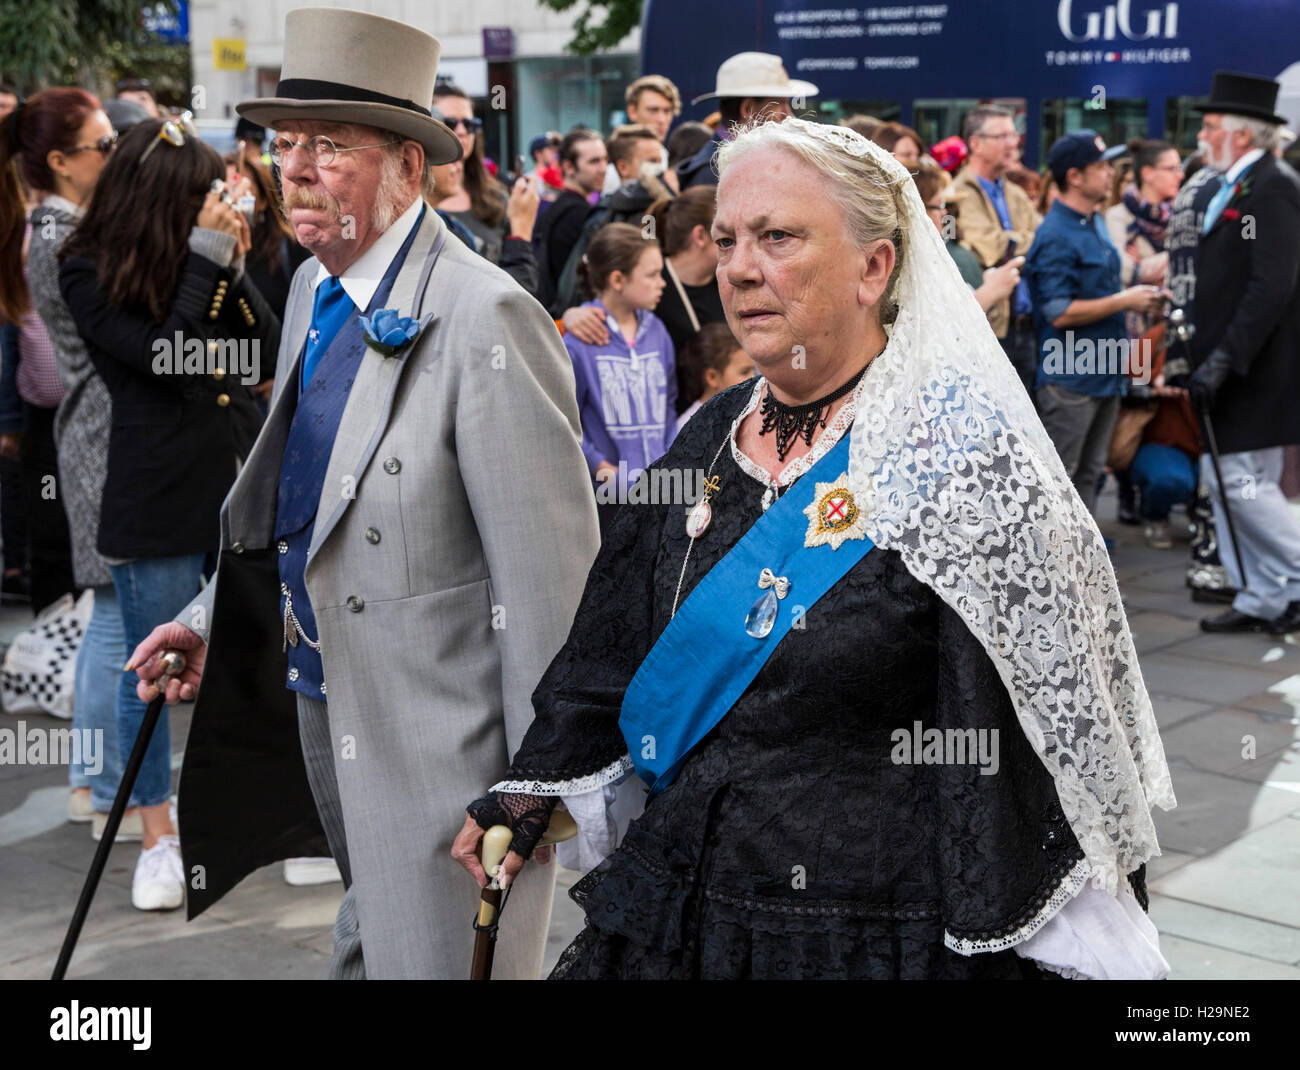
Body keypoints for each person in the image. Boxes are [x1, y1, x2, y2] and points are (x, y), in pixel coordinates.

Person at [453, 117, 1174, 980]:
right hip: (689, 895)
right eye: (725, 240)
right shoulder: (711, 435)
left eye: (778, 236)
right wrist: (535, 780)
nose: (740, 267)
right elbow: (616, 633)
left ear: (876, 266)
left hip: (872, 921)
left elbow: (1040, 736)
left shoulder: (969, 465)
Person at [125, 7, 598, 979]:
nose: (292, 167)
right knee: (362, 941)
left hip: (441, 748)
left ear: (408, 170)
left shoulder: (486, 316)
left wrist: (537, 782)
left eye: (329, 146)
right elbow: (308, 504)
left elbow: (553, 584)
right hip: (313, 696)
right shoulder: (312, 288)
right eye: (284, 143)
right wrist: (209, 616)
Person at [58, 113, 278, 910]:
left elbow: (263, 350)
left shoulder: (204, 262)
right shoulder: (83, 266)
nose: (214, 204)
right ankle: (156, 834)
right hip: (154, 496)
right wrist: (207, 263)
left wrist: (233, 265)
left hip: (236, 481)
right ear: (161, 197)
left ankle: (260, 816)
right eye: (201, 193)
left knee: (254, 657)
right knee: (156, 669)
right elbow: (160, 359)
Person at [0, 88, 139, 837]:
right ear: (59, 160)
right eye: (101, 144)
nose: (113, 156)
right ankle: (109, 785)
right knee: (115, 618)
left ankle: (93, 781)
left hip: (90, 439)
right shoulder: (59, 231)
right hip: (99, 439)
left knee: (107, 614)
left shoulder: (59, 225)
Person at [1182, 72, 1300, 635]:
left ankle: (1290, 578)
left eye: (1209, 127)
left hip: (1255, 368)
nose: (1201, 136)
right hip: (1234, 363)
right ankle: (1263, 594)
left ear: (1241, 136)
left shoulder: (1272, 186)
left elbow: (1271, 285)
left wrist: (1226, 358)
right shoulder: (1239, 184)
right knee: (1232, 476)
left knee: (1239, 481)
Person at [1023, 130, 1166, 514]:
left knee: (1088, 477)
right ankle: (1052, 568)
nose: (1109, 174)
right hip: (1070, 377)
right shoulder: (1056, 233)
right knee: (1061, 484)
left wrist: (1142, 300)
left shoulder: (1094, 222)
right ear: (1075, 177)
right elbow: (1058, 311)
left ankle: (1083, 568)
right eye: (1101, 167)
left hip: (1102, 371)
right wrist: (1124, 300)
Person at [561, 222, 675, 535]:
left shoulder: (658, 333)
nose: (661, 283)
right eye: (652, 275)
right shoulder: (578, 341)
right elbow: (565, 420)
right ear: (617, 280)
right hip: (607, 499)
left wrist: (668, 462)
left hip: (660, 492)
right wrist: (600, 467)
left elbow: (668, 404)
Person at [951, 104, 1042, 395]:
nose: (1012, 143)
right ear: (975, 143)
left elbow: (1045, 241)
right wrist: (1023, 241)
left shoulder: (1014, 192)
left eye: (1014, 135)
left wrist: (1015, 241)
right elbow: (991, 248)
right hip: (990, 326)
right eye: (1001, 136)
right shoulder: (958, 192)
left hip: (1027, 326)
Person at [675, 52, 816, 190]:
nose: (788, 115)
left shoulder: (730, 165)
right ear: (748, 108)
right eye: (780, 103)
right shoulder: (712, 176)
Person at [913, 163, 1022, 316]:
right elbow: (945, 326)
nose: (946, 213)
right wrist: (989, 293)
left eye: (949, 206)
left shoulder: (939, 254)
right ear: (917, 210)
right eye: (940, 205)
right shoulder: (939, 257)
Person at [430, 83, 509, 262]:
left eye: (469, 124)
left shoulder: (496, 197)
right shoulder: (412, 202)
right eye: (449, 123)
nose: (462, 131)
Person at [534, 128, 606, 307]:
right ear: (568, 167)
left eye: (605, 160)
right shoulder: (576, 214)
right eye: (594, 161)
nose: (603, 168)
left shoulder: (560, 207)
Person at [674, 320, 752, 431]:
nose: (754, 377)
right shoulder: (690, 428)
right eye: (744, 372)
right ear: (712, 377)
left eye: (753, 370)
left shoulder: (749, 412)